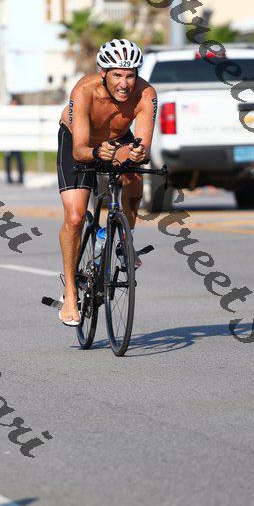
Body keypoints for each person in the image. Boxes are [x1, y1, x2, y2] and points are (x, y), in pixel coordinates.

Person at [57, 39, 157, 326]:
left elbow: (143, 145)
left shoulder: (146, 94)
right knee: (75, 217)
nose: (124, 83)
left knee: (135, 177)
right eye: (117, 75)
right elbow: (80, 150)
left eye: (130, 75)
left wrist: (138, 153)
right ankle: (70, 293)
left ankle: (124, 241)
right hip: (80, 142)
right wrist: (96, 153)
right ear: (103, 73)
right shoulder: (84, 90)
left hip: (117, 139)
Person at [5, 95, 24, 184]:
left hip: (17, 141)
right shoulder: (7, 115)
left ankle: (21, 178)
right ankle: (9, 178)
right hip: (9, 141)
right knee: (8, 160)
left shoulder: (19, 114)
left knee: (19, 160)